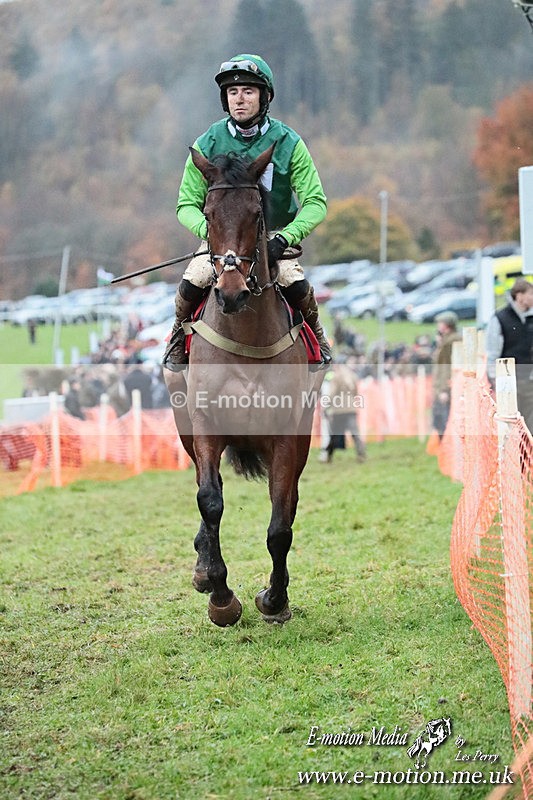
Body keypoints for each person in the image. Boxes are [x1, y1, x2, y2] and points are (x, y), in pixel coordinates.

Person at [163, 53, 331, 372]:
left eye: (248, 92)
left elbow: (315, 202)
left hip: (272, 239)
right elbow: (185, 205)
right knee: (194, 279)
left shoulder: (289, 142)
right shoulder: (207, 143)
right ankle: (176, 339)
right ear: (226, 100)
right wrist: (211, 235)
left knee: (296, 283)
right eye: (233, 93)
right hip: (221, 239)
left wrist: (284, 239)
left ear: (264, 97)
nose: (240, 99)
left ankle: (318, 342)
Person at [486, 278, 533, 432]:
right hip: (508, 382)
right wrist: (494, 379)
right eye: (531, 294)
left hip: (529, 379)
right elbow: (493, 352)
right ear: (519, 296)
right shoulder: (500, 318)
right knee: (511, 425)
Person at [323, 362, 366, 463]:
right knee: (355, 433)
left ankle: (328, 456)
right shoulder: (352, 375)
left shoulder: (336, 376)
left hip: (338, 410)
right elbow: (356, 391)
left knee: (334, 434)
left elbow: (332, 393)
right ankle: (361, 454)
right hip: (351, 409)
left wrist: (326, 406)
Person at [432, 311, 461, 439]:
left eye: (440, 323)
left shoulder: (452, 342)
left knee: (445, 419)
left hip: (447, 386)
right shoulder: (445, 341)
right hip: (442, 386)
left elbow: (447, 367)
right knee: (439, 419)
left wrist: (444, 389)